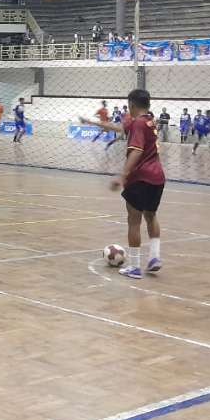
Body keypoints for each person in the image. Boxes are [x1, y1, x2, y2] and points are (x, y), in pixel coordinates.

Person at [80, 88, 166, 280]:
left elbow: (136, 150)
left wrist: (122, 175)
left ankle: (135, 267)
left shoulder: (137, 124)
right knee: (151, 216)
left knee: (134, 220)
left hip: (140, 178)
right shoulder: (150, 121)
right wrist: (91, 122)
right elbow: (119, 128)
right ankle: (155, 257)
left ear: (132, 105)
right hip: (157, 177)